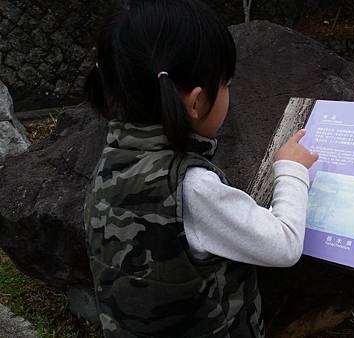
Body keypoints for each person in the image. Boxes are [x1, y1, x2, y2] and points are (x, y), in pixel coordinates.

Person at [82, 1, 318, 337]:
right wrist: (291, 170)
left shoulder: (112, 158)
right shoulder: (192, 188)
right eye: (226, 84)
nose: (229, 93)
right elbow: (283, 244)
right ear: (196, 102)